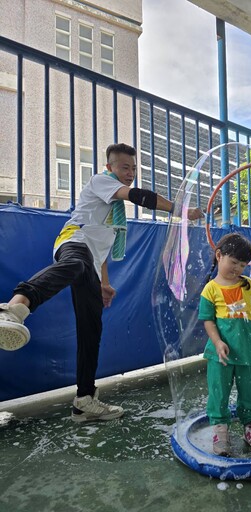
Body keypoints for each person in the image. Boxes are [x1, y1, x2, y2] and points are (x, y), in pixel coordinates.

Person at [0, 143, 203, 422]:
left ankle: (84, 400)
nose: (130, 173)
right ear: (110, 168)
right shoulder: (101, 182)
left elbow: (101, 251)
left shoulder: (113, 209)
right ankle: (15, 308)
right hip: (73, 241)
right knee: (75, 263)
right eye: (124, 167)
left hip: (90, 262)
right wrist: (180, 209)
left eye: (133, 168)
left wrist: (103, 283)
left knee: (91, 329)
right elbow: (137, 196)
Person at [198, 232, 251, 456]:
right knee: (219, 391)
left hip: (248, 350)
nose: (237, 268)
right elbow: (208, 321)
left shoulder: (248, 285)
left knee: (249, 390)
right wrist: (218, 342)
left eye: (242, 265)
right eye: (234, 262)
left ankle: (250, 427)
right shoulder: (210, 289)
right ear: (219, 256)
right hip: (220, 353)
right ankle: (221, 429)